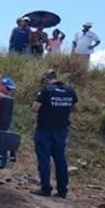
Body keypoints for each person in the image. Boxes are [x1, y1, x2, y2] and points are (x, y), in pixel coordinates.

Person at [30, 70, 78, 199]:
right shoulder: (70, 90)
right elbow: (74, 108)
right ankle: (62, 190)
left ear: (46, 79)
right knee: (60, 159)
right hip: (61, 130)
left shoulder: (46, 90)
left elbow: (35, 108)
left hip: (44, 129)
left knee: (44, 159)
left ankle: (46, 188)